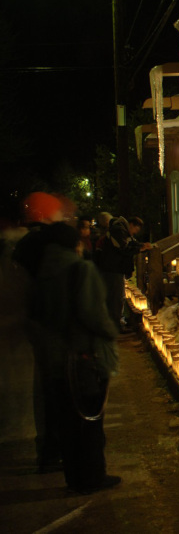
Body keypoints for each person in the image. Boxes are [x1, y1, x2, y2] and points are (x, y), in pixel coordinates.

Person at [32, 222, 120, 493]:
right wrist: (110, 332)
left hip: (54, 357)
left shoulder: (42, 272)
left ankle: (74, 475)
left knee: (67, 420)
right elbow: (93, 314)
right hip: (84, 355)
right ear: (75, 243)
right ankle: (93, 476)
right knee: (90, 418)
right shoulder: (80, 269)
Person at [12, 192, 67, 472]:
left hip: (36, 322)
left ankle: (48, 446)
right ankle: (52, 449)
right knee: (55, 388)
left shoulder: (23, 245)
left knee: (45, 387)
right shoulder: (48, 244)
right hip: (51, 324)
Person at [95, 215, 152, 332]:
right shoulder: (118, 230)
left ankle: (116, 323)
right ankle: (115, 326)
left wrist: (141, 245)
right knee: (116, 297)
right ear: (131, 225)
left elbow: (131, 243)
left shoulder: (122, 231)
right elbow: (124, 248)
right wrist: (140, 249)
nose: (133, 234)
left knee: (118, 296)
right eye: (135, 230)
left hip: (116, 269)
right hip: (113, 268)